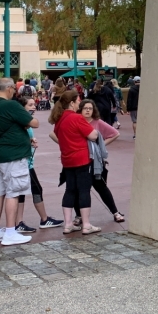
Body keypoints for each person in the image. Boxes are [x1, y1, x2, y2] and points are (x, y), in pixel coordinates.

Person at [0, 77, 39, 246]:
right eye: (13, 89)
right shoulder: (11, 105)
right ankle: (10, 231)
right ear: (9, 88)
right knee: (13, 193)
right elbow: (34, 123)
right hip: (13, 156)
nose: (15, 92)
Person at [48, 90, 100, 235]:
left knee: (70, 190)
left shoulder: (59, 119)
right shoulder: (77, 118)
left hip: (67, 159)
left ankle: (68, 224)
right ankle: (86, 224)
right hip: (82, 158)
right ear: (72, 103)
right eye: (78, 101)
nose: (80, 103)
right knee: (84, 190)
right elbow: (93, 135)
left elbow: (56, 135)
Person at [13, 96, 64, 232]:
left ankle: (20, 222)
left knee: (22, 192)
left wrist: (30, 141)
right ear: (22, 107)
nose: (33, 107)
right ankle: (43, 219)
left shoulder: (24, 122)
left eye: (33, 104)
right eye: (30, 105)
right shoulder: (23, 122)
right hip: (24, 163)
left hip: (26, 161)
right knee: (35, 190)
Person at [76, 99, 125, 224]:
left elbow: (115, 134)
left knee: (101, 187)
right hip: (80, 161)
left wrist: (101, 145)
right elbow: (55, 134)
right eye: (85, 108)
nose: (88, 110)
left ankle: (115, 212)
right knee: (79, 189)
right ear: (80, 109)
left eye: (90, 108)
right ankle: (79, 216)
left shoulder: (97, 123)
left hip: (96, 162)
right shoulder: (76, 122)